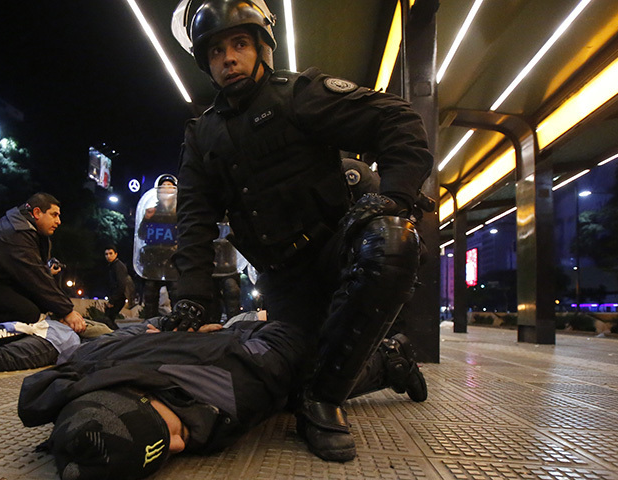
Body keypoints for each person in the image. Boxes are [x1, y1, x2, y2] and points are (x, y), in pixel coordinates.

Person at [166, 0, 433, 462]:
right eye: (215, 51)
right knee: (287, 381)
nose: (228, 58)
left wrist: (395, 197)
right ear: (206, 63)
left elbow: (398, 120)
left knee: (393, 237)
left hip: (338, 253)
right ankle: (390, 362)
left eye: (239, 44)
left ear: (262, 48)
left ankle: (324, 404)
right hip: (282, 276)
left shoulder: (298, 94)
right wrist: (192, 296)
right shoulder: (201, 135)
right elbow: (194, 220)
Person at [17, 315, 424, 480]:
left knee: (304, 389)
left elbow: (292, 341)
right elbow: (131, 335)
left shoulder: (236, 388)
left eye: (168, 435)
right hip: (202, 342)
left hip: (259, 341)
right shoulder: (84, 367)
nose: (179, 444)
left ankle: (390, 359)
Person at [0, 192, 86, 339]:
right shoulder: (17, 233)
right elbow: (36, 278)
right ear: (37, 212)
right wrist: (66, 312)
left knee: (36, 309)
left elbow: (34, 274)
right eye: (54, 215)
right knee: (26, 312)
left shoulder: (25, 229)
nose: (59, 221)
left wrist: (57, 308)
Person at [134, 175, 180, 318]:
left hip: (173, 262)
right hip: (153, 261)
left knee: (177, 295)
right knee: (150, 295)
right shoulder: (151, 212)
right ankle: (150, 328)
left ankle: (178, 328)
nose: (167, 189)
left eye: (170, 186)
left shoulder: (180, 212)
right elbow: (141, 235)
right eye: (164, 186)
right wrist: (146, 219)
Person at [103, 245, 135, 327]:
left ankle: (117, 336)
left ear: (116, 254)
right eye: (106, 254)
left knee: (108, 319)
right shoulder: (114, 266)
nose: (108, 256)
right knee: (109, 319)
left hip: (119, 297)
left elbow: (121, 285)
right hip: (118, 297)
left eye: (111, 253)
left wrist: (112, 300)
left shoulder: (118, 266)